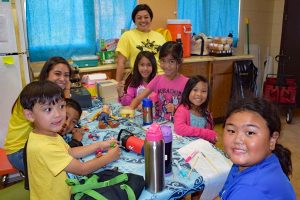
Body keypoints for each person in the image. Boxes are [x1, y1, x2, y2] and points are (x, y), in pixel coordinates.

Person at [20, 80, 120, 200]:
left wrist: (99, 145)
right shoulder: (43, 147)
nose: (58, 114)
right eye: (48, 109)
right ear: (30, 115)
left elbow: (69, 152)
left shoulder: (47, 134)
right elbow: (82, 169)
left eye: (61, 106)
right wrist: (109, 157)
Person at [218, 97, 296, 199]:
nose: (237, 140)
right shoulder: (259, 161)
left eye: (250, 132)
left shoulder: (249, 191)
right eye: (232, 131)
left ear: (272, 140)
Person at [4, 56, 72, 172]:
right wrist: (67, 91)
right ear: (46, 75)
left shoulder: (48, 94)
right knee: (69, 170)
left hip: (32, 145)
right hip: (20, 151)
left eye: (66, 75)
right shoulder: (36, 95)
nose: (63, 79)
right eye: (57, 74)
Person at [128, 41, 189, 120]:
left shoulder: (187, 83)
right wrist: (130, 109)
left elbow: (191, 108)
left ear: (180, 61)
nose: (167, 66)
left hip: (178, 125)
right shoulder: (157, 79)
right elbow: (138, 98)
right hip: (159, 124)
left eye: (171, 61)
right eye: (163, 61)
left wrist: (176, 108)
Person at [116, 4, 166, 95]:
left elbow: (166, 60)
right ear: (134, 20)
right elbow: (121, 62)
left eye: (146, 17)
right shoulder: (127, 36)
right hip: (142, 80)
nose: (143, 20)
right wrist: (117, 85)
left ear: (150, 19)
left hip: (162, 79)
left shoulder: (160, 36)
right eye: (139, 17)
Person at [174, 75, 217, 143]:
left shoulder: (206, 112)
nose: (199, 94)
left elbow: (210, 134)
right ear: (188, 91)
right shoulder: (182, 109)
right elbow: (179, 129)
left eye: (203, 91)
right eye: (195, 90)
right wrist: (205, 133)